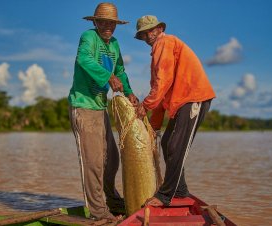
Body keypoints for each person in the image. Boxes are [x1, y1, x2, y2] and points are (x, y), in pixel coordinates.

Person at [134, 15, 216, 207]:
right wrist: (152, 127)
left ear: (159, 29)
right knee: (167, 142)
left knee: (175, 145)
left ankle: (165, 195)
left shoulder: (165, 42)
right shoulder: (157, 53)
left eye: (151, 31)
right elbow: (161, 94)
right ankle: (179, 190)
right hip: (182, 103)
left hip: (194, 98)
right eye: (144, 34)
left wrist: (145, 105)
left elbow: (163, 83)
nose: (148, 36)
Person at [68, 2, 138, 223]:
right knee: (94, 161)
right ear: (96, 22)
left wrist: (130, 93)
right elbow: (84, 59)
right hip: (84, 106)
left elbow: (119, 71)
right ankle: (99, 212)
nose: (108, 26)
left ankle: (111, 200)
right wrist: (108, 78)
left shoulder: (115, 44)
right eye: (103, 22)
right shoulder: (89, 38)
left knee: (112, 159)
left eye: (112, 23)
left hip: (100, 107)